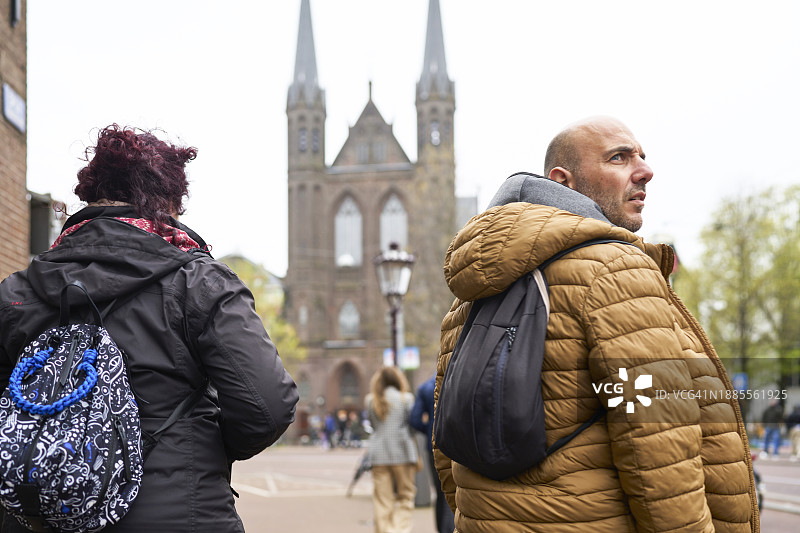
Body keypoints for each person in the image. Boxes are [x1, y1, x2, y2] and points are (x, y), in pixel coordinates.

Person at [434, 116, 758, 531]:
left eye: (642, 156)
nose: (645, 170)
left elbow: (448, 449)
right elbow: (659, 454)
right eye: (619, 157)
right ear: (563, 181)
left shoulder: (467, 300)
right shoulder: (616, 270)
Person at [0, 124, 299, 532]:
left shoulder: (16, 292)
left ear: (90, 197)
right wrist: (200, 447)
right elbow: (267, 406)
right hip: (178, 513)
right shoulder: (199, 282)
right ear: (168, 204)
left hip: (40, 517)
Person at [365, 366, 418, 533]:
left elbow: (373, 426)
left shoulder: (370, 400)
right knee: (406, 497)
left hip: (378, 454)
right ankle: (398, 530)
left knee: (382, 500)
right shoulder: (406, 399)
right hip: (402, 452)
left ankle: (384, 530)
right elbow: (412, 425)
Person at [410, 374, 455, 533]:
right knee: (456, 491)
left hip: (434, 446)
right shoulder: (458, 379)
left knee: (440, 491)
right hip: (457, 444)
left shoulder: (425, 387)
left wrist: (430, 429)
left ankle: (442, 529)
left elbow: (414, 420)